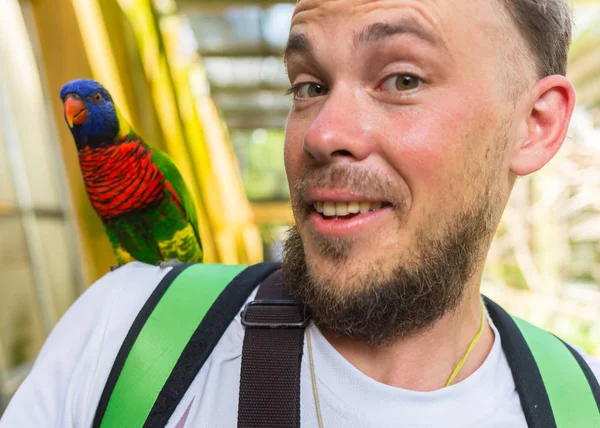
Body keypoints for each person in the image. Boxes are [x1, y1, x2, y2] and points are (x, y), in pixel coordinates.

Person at [2, 0, 599, 427]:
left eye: (402, 78)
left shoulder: (582, 403)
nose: (322, 133)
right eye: (308, 86)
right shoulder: (123, 331)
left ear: (536, 125)